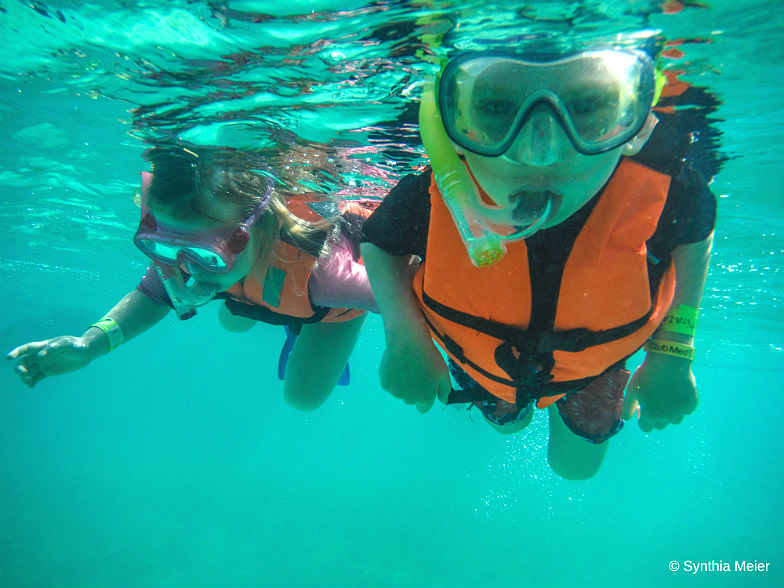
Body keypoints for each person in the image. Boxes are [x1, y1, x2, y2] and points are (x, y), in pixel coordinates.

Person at [360, 33, 716, 479]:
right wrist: (405, 336)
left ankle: (559, 396)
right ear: (450, 124)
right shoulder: (436, 194)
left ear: (637, 123)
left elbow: (698, 232)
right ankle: (511, 404)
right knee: (505, 423)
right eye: (496, 108)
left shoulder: (667, 189)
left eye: (586, 108)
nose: (539, 154)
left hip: (592, 366)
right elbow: (378, 242)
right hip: (486, 364)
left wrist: (674, 350)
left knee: (576, 469)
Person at [7, 147, 379, 411]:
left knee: (303, 399)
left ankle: (277, 313)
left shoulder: (325, 271)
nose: (187, 269)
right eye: (168, 251)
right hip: (255, 286)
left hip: (328, 310)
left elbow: (404, 294)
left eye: (206, 255)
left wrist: (415, 350)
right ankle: (251, 300)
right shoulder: (195, 242)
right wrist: (90, 345)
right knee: (233, 320)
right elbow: (153, 294)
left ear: (252, 228)